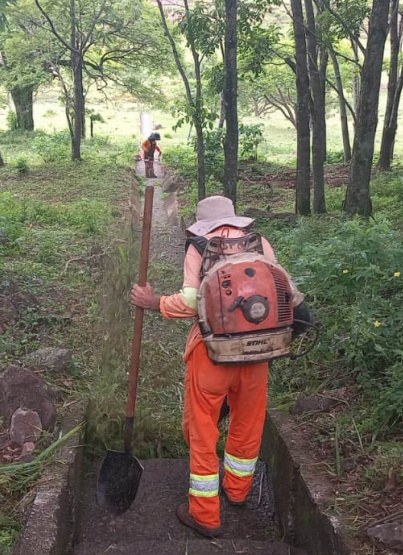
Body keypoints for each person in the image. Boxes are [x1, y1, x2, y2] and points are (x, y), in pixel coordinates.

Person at [129, 195, 311, 538]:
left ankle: (205, 514)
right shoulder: (258, 242)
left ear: (201, 225)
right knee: (248, 420)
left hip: (211, 354)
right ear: (233, 218)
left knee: (202, 429)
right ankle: (238, 491)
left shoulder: (200, 246)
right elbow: (281, 292)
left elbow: (190, 302)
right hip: (257, 352)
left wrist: (154, 302)